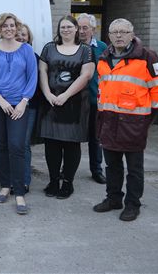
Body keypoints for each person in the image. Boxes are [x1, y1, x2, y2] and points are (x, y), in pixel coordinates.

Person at [93, 18, 158, 221]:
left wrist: (146, 120)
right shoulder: (103, 58)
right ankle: (113, 198)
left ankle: (133, 204)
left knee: (134, 169)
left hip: (134, 124)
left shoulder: (147, 57)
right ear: (108, 35)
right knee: (112, 166)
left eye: (123, 32)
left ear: (132, 34)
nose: (118, 35)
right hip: (108, 121)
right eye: (114, 32)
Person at [0, 13, 37, 214]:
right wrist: (0, 99)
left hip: (19, 105)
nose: (9, 28)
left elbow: (32, 78)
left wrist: (23, 102)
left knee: (17, 146)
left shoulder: (26, 50)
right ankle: (5, 185)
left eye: (12, 25)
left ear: (17, 27)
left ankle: (20, 192)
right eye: (5, 26)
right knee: (1, 146)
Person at [38, 15, 95, 199]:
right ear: (59, 30)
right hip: (51, 104)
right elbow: (42, 71)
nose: (66, 30)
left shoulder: (85, 50)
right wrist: (48, 94)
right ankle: (54, 181)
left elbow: (86, 75)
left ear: (76, 29)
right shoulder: (49, 48)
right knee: (52, 145)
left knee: (71, 145)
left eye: (69, 27)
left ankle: (68, 183)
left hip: (75, 105)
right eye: (63, 27)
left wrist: (65, 95)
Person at [77, 13, 107, 184]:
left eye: (85, 28)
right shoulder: (72, 46)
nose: (81, 31)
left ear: (93, 29)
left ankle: (96, 170)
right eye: (79, 28)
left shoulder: (102, 47)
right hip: (76, 100)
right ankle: (68, 170)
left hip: (96, 100)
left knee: (96, 138)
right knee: (72, 137)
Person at [16, 23, 41, 193]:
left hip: (29, 106)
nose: (20, 37)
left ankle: (24, 180)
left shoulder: (35, 57)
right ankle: (12, 179)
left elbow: (35, 83)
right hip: (10, 105)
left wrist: (25, 100)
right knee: (13, 144)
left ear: (29, 37)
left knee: (23, 144)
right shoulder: (6, 54)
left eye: (23, 34)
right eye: (18, 34)